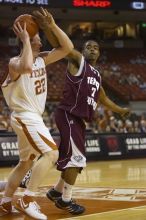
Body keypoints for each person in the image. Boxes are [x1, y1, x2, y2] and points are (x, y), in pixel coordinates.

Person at [32, 11, 131, 215]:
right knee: (76, 159)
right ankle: (66, 200)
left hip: (79, 120)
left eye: (96, 48)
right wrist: (49, 26)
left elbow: (103, 99)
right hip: (69, 114)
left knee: (77, 160)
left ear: (99, 53)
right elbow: (60, 46)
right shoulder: (77, 61)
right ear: (83, 50)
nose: (92, 49)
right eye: (89, 47)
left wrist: (121, 110)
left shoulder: (97, 75)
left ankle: (56, 192)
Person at [0, 8, 73, 220]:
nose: (41, 43)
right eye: (38, 39)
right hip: (25, 116)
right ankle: (28, 199)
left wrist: (51, 25)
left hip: (32, 117)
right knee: (52, 154)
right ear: (29, 42)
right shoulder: (14, 63)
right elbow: (26, 66)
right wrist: (25, 40)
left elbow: (67, 47)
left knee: (26, 163)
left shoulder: (41, 59)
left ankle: (6, 201)